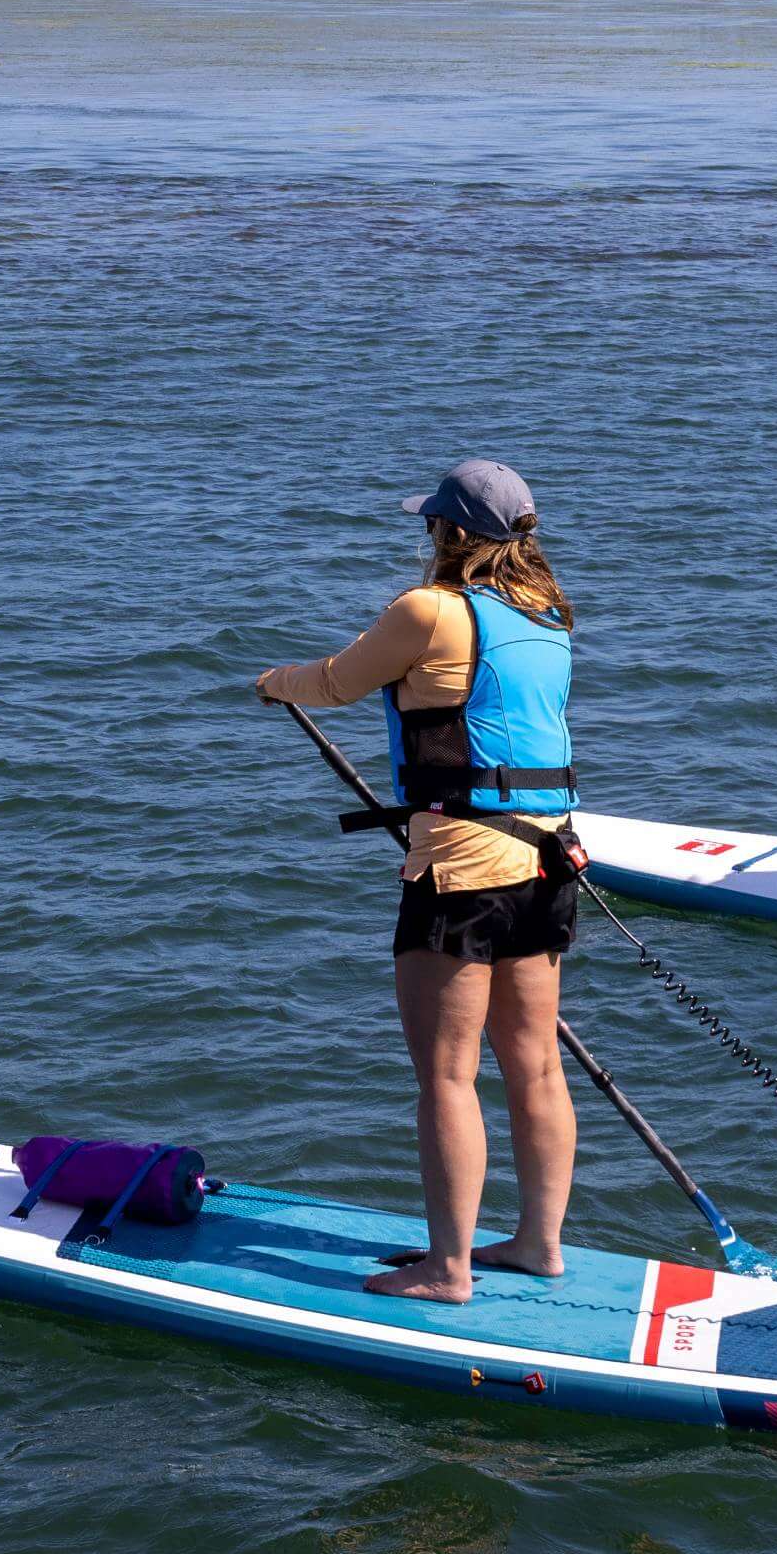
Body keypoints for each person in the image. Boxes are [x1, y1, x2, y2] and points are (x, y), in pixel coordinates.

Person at [255, 457, 582, 1303]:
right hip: (548, 860)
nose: (426, 535)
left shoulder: (429, 610)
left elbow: (336, 682)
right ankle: (539, 1245)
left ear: (454, 534)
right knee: (537, 1067)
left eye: (432, 523)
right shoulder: (548, 616)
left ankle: (449, 1269)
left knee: (446, 1074)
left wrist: (271, 685)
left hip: (464, 867)